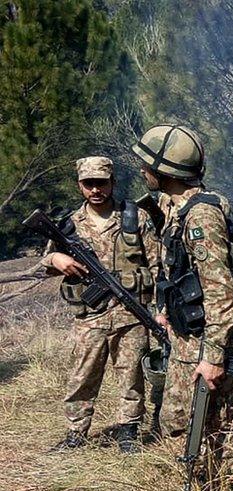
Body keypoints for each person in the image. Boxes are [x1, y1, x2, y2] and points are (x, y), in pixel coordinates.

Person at [131, 124, 233, 475]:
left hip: (203, 342)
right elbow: (177, 269)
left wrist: (213, 358)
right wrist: (166, 310)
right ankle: (197, 488)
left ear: (166, 172)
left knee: (209, 428)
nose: (142, 171)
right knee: (179, 421)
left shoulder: (200, 217)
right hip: (185, 338)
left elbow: (221, 293)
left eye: (147, 165)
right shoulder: (177, 208)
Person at [40, 157, 158, 453]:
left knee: (131, 375)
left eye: (101, 182)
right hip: (90, 317)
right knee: (83, 376)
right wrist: (57, 259)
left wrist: (161, 310)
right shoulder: (68, 225)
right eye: (88, 183)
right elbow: (46, 260)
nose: (95, 189)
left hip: (130, 314)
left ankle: (128, 430)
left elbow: (156, 266)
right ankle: (76, 432)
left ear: (112, 182)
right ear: (80, 185)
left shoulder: (135, 217)